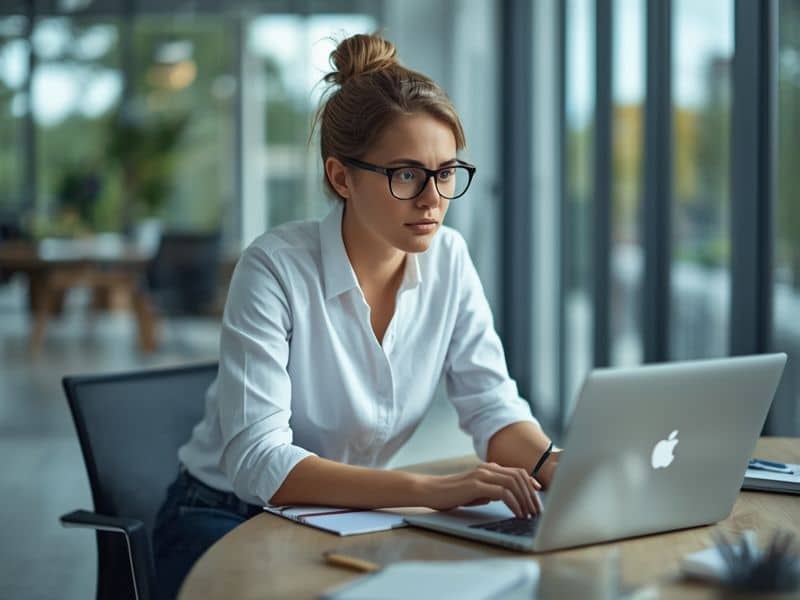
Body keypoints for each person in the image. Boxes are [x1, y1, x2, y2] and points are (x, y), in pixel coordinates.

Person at [152, 32, 561, 598]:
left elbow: (492, 408)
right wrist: (426, 489)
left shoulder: (449, 259)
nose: (432, 199)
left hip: (348, 516)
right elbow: (257, 461)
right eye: (406, 174)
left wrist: (557, 467)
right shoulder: (274, 268)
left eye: (445, 172)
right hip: (225, 516)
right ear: (342, 177)